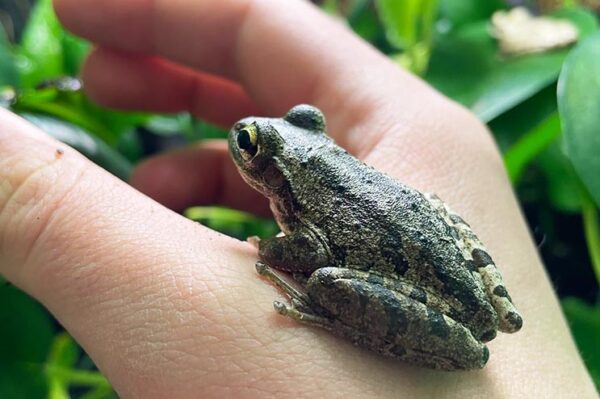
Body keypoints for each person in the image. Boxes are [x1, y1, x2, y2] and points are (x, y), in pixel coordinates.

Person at [0, 0, 596, 397]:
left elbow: (298, 252)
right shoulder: (307, 173)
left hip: (407, 273)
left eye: (251, 145)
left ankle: (337, 310)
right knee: (374, 260)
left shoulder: (293, 195)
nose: (246, 141)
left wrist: (280, 259)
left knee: (324, 283)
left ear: (271, 171)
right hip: (424, 251)